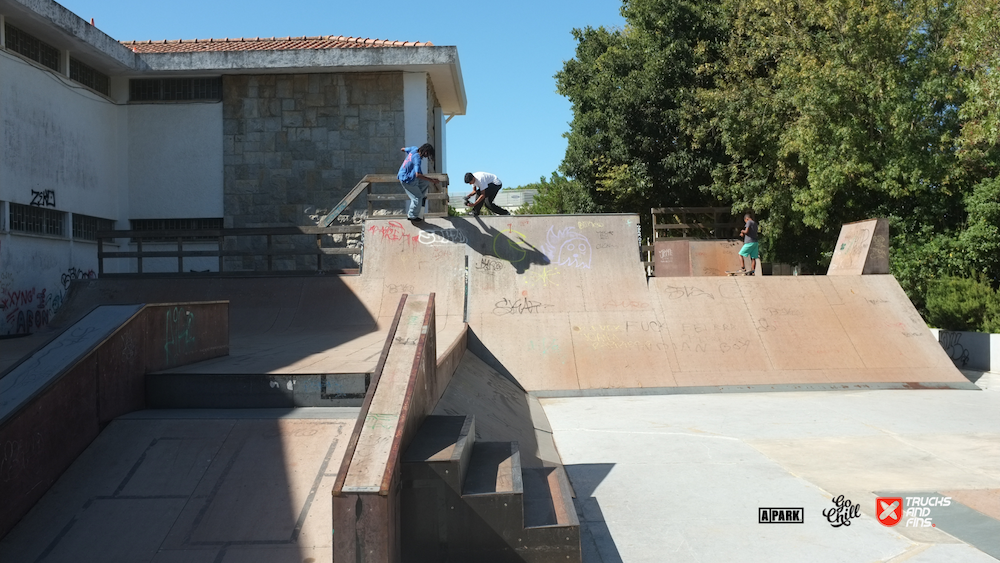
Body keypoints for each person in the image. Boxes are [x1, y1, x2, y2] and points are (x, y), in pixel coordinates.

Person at [397, 144, 440, 223]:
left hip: (405, 175)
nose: (427, 157)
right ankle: (412, 215)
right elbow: (418, 174)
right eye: (428, 154)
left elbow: (403, 149)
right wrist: (433, 180)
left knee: (425, 182)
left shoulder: (413, 149)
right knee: (417, 198)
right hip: (407, 179)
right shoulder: (417, 159)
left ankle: (421, 197)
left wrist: (403, 149)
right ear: (426, 152)